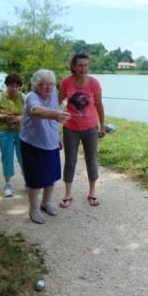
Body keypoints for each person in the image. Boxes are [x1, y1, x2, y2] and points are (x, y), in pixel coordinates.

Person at [20, 69, 71, 224]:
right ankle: (34, 209)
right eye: (43, 84)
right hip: (33, 144)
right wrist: (55, 115)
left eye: (51, 84)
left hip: (50, 143)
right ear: (36, 85)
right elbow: (36, 110)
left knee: (51, 176)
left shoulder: (54, 95)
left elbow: (54, 121)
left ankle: (46, 203)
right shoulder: (31, 97)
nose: (48, 87)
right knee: (35, 180)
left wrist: (58, 137)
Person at [58, 52, 106, 208]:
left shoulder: (94, 83)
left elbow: (99, 106)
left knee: (91, 160)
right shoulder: (66, 82)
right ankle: (67, 193)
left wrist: (102, 125)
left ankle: (92, 192)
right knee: (70, 161)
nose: (83, 68)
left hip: (90, 128)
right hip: (70, 128)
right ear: (73, 66)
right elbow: (56, 104)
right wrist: (53, 128)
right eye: (80, 65)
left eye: (86, 65)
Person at [0, 73, 25, 197]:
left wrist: (19, 118)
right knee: (7, 157)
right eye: (12, 86)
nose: (14, 89)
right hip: (4, 132)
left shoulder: (23, 97)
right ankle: (8, 185)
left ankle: (27, 181)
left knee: (23, 157)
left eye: (17, 86)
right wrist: (5, 116)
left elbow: (29, 114)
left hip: (20, 132)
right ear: (7, 85)